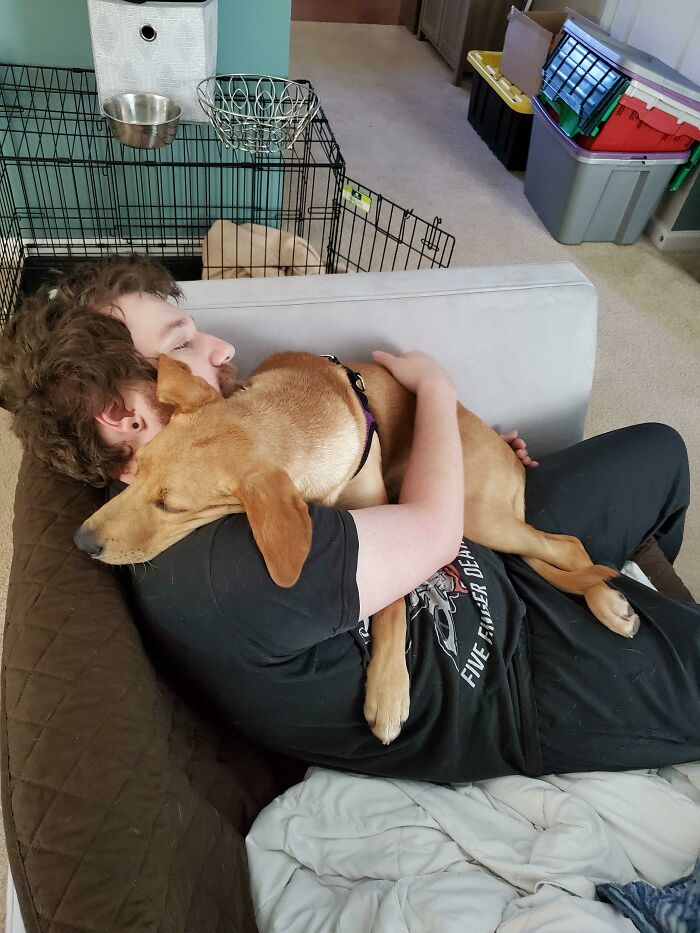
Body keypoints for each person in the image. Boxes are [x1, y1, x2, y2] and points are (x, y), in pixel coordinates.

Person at [1, 255, 698, 784]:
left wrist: (463, 445)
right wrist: (438, 390)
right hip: (515, 673)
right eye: (182, 343)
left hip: (485, 550)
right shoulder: (235, 559)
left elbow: (391, 472)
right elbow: (432, 530)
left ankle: (640, 590)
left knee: (663, 452)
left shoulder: (217, 446)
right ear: (126, 414)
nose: (218, 350)